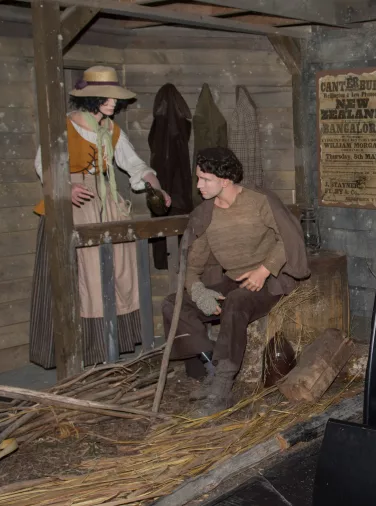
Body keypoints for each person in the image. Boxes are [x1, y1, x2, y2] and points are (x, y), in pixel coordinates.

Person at [29, 65, 172, 368]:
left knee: (119, 270)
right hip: (72, 206)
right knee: (86, 278)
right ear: (89, 98)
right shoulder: (63, 126)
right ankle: (84, 348)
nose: (113, 103)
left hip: (105, 202)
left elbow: (133, 163)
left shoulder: (111, 129)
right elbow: (45, 165)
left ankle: (113, 343)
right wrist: (66, 186)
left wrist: (156, 186)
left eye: (115, 98)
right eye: (106, 97)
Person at [161, 147, 309, 417]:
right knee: (174, 304)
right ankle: (211, 367)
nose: (198, 186)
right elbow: (192, 265)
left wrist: (264, 270)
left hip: (269, 280)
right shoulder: (205, 214)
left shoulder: (259, 201)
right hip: (232, 279)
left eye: (205, 179)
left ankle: (222, 388)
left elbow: (288, 238)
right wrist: (197, 289)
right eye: (198, 178)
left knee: (237, 301)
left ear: (225, 179)